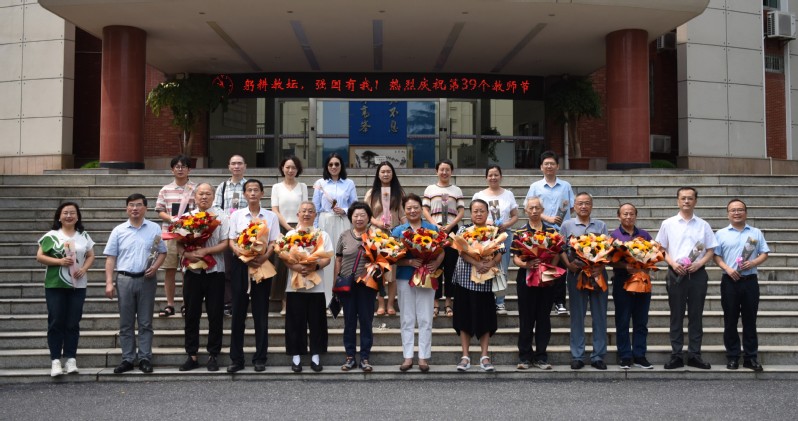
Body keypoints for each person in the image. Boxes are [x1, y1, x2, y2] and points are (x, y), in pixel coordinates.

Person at [104, 193, 167, 374]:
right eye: (131, 205)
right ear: (126, 208)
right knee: (126, 322)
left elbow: (162, 252)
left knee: (146, 322)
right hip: (124, 279)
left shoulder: (154, 228)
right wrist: (109, 282)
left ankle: (145, 357)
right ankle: (128, 359)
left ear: (145, 208)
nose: (135, 208)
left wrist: (155, 267)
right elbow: (110, 258)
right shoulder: (118, 230)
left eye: (139, 205)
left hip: (147, 279)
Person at [656, 186, 717, 370]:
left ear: (695, 201)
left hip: (697, 274)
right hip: (675, 273)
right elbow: (660, 249)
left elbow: (711, 250)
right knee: (676, 315)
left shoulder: (703, 225)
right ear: (678, 201)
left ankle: (694, 355)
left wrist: (699, 264)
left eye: (690, 198)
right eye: (683, 198)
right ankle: (676, 355)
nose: (686, 201)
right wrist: (673, 264)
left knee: (696, 315)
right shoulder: (668, 224)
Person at [36, 202, 96, 377]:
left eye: (72, 213)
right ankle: (55, 360)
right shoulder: (51, 235)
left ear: (77, 217)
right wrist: (59, 262)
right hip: (55, 284)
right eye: (65, 213)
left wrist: (84, 269)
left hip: (78, 285)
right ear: (59, 216)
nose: (69, 216)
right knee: (56, 321)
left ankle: (71, 359)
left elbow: (91, 255)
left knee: (73, 322)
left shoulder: (84, 235)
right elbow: (39, 256)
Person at [227, 179, 280, 373]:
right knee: (238, 314)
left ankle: (260, 358)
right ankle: (236, 359)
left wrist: (264, 256)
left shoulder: (271, 216)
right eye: (249, 190)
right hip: (241, 266)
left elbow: (274, 241)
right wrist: (243, 256)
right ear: (244, 194)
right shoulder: (237, 215)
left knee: (261, 313)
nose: (252, 193)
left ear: (262, 193)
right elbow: (231, 240)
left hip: (262, 265)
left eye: (256, 190)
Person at [177, 183, 229, 372]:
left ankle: (213, 354)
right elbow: (179, 243)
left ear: (214, 196)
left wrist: (206, 251)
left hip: (215, 271)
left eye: (208, 194)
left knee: (215, 314)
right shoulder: (186, 217)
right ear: (195, 196)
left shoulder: (222, 216)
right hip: (193, 272)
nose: (204, 197)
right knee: (192, 314)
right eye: (201, 194)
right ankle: (191, 354)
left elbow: (225, 243)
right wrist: (187, 254)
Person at [713, 199, 769, 371]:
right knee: (730, 320)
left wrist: (753, 263)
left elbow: (764, 253)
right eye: (733, 210)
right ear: (728, 214)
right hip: (729, 281)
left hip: (750, 281)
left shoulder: (755, 232)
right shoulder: (721, 234)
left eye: (740, 210)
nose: (736, 213)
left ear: (746, 212)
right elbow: (716, 256)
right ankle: (733, 357)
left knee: (750, 320)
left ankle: (750, 358)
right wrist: (727, 269)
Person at [391, 194, 444, 372]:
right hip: (405, 277)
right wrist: (408, 262)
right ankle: (407, 357)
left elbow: (441, 251)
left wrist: (436, 263)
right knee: (407, 318)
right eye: (409, 208)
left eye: (416, 207)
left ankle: (423, 357)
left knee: (425, 317)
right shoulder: (398, 231)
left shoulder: (432, 229)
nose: (412, 211)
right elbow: (392, 257)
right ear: (404, 211)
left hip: (427, 276)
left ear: (422, 209)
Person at [560, 192, 609, 370]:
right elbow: (561, 248)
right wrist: (568, 265)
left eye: (587, 203)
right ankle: (577, 355)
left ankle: (598, 356)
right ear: (574, 206)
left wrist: (600, 267)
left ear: (592, 206)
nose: (583, 206)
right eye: (580, 203)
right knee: (577, 316)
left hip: (597, 275)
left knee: (600, 316)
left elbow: (607, 250)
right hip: (577, 275)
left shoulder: (601, 225)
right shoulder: (567, 225)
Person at [453, 199, 503, 372]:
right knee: (464, 318)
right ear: (470, 213)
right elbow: (461, 251)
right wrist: (476, 263)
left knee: (485, 318)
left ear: (487, 213)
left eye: (482, 210)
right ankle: (465, 356)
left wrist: (490, 264)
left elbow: (500, 253)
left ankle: (484, 356)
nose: (479, 214)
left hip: (485, 280)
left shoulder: (493, 231)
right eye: (475, 211)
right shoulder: (463, 230)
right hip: (465, 280)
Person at [284, 201, 333, 373]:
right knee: (295, 322)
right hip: (295, 286)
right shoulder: (290, 234)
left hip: (317, 286)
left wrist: (315, 266)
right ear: (298, 214)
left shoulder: (322, 234)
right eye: (303, 211)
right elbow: (284, 257)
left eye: (310, 211)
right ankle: (296, 356)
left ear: (315, 215)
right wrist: (296, 267)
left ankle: (315, 356)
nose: (306, 214)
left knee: (317, 321)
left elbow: (327, 257)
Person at [524, 150, 574, 316]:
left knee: (559, 266)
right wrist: (548, 219)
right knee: (541, 264)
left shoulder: (566, 186)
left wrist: (561, 221)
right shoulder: (535, 186)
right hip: (541, 232)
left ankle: (559, 301)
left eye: (552, 163)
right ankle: (543, 299)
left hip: (561, 233)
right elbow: (529, 207)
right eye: (546, 164)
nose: (549, 166)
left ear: (558, 166)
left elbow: (571, 207)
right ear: (541, 167)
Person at [513, 197, 556, 370]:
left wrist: (549, 266)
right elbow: (515, 258)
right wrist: (527, 264)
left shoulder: (551, 231)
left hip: (546, 277)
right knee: (526, 318)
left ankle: (541, 357)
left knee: (544, 318)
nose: (534, 211)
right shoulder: (520, 232)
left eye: (537, 208)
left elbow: (557, 253)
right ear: (526, 211)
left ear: (542, 210)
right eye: (531, 208)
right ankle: (524, 357)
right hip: (526, 277)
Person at [610, 203, 654, 370]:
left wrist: (646, 265)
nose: (628, 217)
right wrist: (625, 266)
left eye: (631, 214)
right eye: (625, 214)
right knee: (622, 320)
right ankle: (625, 356)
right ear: (619, 216)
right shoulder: (614, 236)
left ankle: (640, 355)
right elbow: (608, 260)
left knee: (641, 320)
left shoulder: (644, 235)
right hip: (622, 281)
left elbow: (653, 255)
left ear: (636, 216)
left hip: (642, 281)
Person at [335, 201, 377, 372]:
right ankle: (350, 357)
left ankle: (365, 357)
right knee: (349, 322)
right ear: (351, 217)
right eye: (356, 215)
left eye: (363, 215)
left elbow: (383, 259)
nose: (359, 218)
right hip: (348, 285)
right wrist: (336, 281)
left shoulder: (376, 236)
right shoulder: (344, 236)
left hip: (367, 285)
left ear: (369, 218)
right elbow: (338, 259)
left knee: (366, 321)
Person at [472, 165, 518, 315]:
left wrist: (506, 225)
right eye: (490, 175)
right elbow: (475, 215)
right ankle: (486, 300)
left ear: (501, 176)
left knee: (502, 267)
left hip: (504, 234)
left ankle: (500, 302)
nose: (493, 177)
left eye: (496, 174)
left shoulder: (508, 194)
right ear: (486, 177)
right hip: (484, 235)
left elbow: (515, 216)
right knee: (485, 265)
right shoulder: (479, 195)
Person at [155, 155, 196, 318]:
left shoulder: (196, 189)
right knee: (170, 270)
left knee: (188, 271)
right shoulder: (165, 190)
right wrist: (172, 219)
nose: (180, 169)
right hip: (170, 234)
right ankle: (170, 304)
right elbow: (159, 211)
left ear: (189, 170)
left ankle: (187, 304)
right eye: (177, 167)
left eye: (184, 166)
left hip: (189, 236)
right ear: (172, 170)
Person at [313, 153, 358, 304]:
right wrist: (315, 229)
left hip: (343, 221)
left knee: (343, 257)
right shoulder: (320, 183)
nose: (333, 167)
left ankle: (342, 295)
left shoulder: (349, 183)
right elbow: (316, 208)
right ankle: (326, 297)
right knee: (326, 256)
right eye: (330, 164)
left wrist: (344, 210)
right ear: (327, 166)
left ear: (341, 166)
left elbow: (355, 205)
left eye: (336, 164)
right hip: (325, 221)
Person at [423, 159, 465, 318]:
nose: (444, 172)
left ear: (451, 172)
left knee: (450, 266)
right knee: (435, 266)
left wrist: (450, 225)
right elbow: (425, 210)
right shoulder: (430, 189)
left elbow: (461, 211)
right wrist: (435, 225)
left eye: (447, 169)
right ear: (436, 171)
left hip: (452, 230)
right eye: (441, 169)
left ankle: (448, 303)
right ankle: (435, 303)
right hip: (434, 230)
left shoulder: (456, 190)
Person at [364, 161, 405, 316]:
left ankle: (390, 304)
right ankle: (380, 304)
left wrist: (405, 230)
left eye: (388, 171)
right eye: (383, 172)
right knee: (378, 271)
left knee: (392, 272)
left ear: (392, 174)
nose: (386, 174)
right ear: (378, 174)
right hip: (376, 235)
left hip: (394, 235)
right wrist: (378, 223)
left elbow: (402, 214)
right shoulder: (371, 193)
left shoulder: (399, 193)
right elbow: (366, 214)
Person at [272, 155, 308, 316]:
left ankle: (298, 300)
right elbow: (275, 210)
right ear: (282, 168)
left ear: (297, 169)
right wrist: (288, 227)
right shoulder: (276, 187)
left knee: (299, 263)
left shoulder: (303, 186)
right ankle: (284, 302)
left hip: (300, 227)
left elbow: (305, 208)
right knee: (283, 266)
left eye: (293, 167)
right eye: (287, 167)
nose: (290, 170)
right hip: (282, 227)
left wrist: (299, 227)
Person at [214, 154, 248, 317]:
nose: (236, 166)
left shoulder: (249, 186)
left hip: (246, 234)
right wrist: (228, 219)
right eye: (233, 163)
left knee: (243, 271)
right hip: (227, 233)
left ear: (245, 166)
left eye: (239, 163)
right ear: (229, 167)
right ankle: (228, 301)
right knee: (227, 269)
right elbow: (216, 208)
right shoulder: (222, 187)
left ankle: (242, 301)